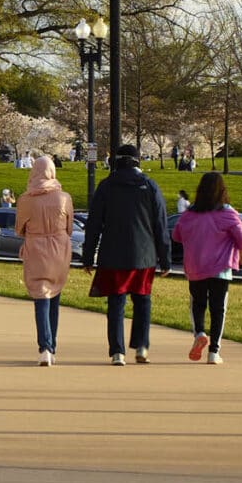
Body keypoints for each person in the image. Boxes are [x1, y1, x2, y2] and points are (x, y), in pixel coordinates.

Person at [83, 143, 171, 366]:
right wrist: (165, 259)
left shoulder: (106, 186)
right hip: (144, 254)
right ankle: (141, 346)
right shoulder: (149, 186)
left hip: (113, 253)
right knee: (143, 300)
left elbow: (93, 224)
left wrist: (88, 256)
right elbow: (160, 224)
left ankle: (117, 351)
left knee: (116, 303)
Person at [171, 170, 242, 364]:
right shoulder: (227, 213)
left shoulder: (189, 214)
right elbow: (241, 237)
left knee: (197, 304)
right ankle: (214, 351)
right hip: (221, 269)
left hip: (195, 267)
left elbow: (176, 236)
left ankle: (199, 333)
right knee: (218, 308)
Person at [17, 153, 74, 366]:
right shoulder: (64, 198)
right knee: (55, 296)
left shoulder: (25, 200)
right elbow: (69, 227)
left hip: (36, 248)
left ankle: (45, 347)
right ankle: (52, 346)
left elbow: (18, 229)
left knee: (41, 296)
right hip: (59, 249)